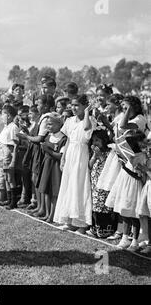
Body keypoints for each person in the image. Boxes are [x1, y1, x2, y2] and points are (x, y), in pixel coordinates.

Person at [54, 94, 95, 234]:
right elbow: (68, 141)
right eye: (72, 105)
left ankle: (82, 224)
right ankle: (70, 221)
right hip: (70, 154)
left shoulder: (90, 120)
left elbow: (86, 131)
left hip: (81, 155)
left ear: (84, 105)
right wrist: (63, 158)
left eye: (77, 105)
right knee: (69, 185)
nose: (74, 108)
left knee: (79, 185)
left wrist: (87, 113)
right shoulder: (70, 120)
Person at [36, 113, 67, 222]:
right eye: (47, 125)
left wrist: (48, 150)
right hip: (47, 164)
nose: (48, 127)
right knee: (45, 189)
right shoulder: (48, 136)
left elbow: (60, 155)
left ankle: (52, 215)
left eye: (51, 124)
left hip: (55, 166)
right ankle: (47, 212)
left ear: (59, 124)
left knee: (54, 191)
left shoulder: (63, 138)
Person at [87, 129, 117, 238]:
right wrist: (95, 156)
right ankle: (95, 228)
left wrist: (100, 155)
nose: (95, 143)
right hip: (95, 183)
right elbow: (90, 166)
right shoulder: (94, 153)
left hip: (104, 185)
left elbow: (107, 167)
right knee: (95, 206)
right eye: (93, 140)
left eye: (97, 140)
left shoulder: (109, 152)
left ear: (104, 141)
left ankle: (105, 230)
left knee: (103, 207)